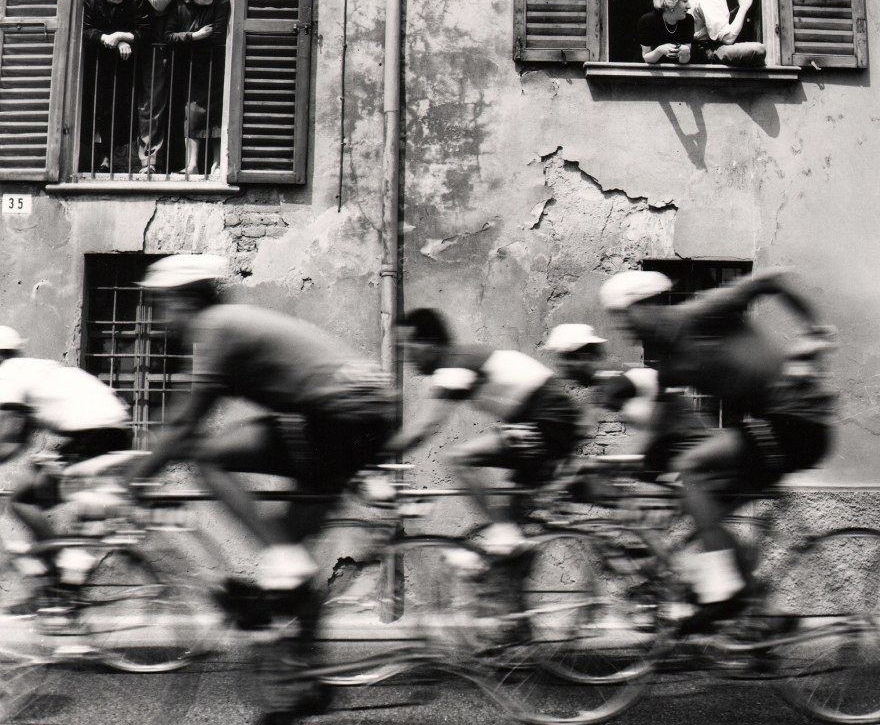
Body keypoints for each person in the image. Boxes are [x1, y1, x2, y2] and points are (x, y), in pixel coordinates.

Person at [125, 255, 396, 722]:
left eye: (160, 305)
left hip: (341, 415)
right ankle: (306, 681)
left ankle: (283, 564)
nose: (156, 319)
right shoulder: (230, 324)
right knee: (293, 563)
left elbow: (183, 425)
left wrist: (130, 481)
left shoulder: (215, 326)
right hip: (358, 415)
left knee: (208, 457)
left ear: (185, 300)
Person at [598, 268, 836, 630]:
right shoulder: (670, 360)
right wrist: (642, 477)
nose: (622, 327)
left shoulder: (698, 314)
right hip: (769, 430)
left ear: (646, 305)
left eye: (623, 315)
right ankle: (760, 614)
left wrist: (816, 329)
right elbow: (663, 418)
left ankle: (724, 592)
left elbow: (773, 279)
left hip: (798, 422)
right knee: (707, 517)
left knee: (692, 465)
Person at [385, 308, 582, 555]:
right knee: (511, 535)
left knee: (457, 458)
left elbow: (423, 427)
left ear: (430, 343)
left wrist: (374, 454)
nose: (407, 358)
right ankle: (511, 557)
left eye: (408, 347)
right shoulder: (457, 362)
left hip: (548, 419)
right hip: (540, 419)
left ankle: (504, 533)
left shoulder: (456, 363)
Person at [0, 325, 130, 586]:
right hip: (110, 429)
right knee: (34, 491)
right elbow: (19, 439)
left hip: (94, 432)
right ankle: (59, 578)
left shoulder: (9, 373)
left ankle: (66, 562)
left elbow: (8, 435)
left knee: (22, 500)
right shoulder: (33, 372)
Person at [131, 0, 234, 173]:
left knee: (192, 98)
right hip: (159, 34)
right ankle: (150, 162)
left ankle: (190, 163)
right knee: (154, 99)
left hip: (188, 27)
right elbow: (158, 1)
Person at [81, 0, 151, 172]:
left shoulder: (135, 0)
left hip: (128, 64)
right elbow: (87, 30)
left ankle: (124, 158)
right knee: (100, 109)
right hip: (99, 63)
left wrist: (121, 36)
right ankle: (104, 157)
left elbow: (146, 32)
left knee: (125, 109)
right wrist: (109, 39)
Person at [165, 0, 231, 178]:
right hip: (191, 66)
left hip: (217, 63)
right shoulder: (180, 3)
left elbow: (218, 36)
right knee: (193, 113)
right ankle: (192, 164)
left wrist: (186, 39)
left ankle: (217, 164)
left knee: (218, 112)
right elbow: (168, 36)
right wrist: (194, 35)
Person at [637, 0, 694, 65]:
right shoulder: (648, 20)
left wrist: (685, 53)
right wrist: (659, 51)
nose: (689, 6)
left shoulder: (688, 20)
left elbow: (683, 61)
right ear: (672, 3)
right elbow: (646, 57)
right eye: (685, 1)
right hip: (649, 71)